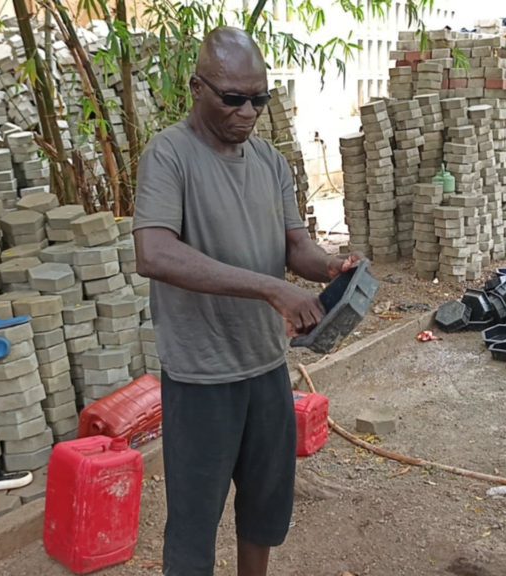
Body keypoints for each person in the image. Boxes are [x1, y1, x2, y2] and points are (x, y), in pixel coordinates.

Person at [133, 27, 362, 576]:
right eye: (233, 98)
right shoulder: (169, 156)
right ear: (197, 88)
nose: (248, 113)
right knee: (194, 522)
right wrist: (270, 288)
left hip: (265, 367)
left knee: (264, 506)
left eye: (259, 99)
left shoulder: (269, 162)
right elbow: (154, 253)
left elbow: (294, 245)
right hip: (201, 374)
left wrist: (330, 266)